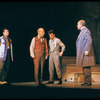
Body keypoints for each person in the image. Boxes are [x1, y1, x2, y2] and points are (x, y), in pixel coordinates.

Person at [76, 20, 95, 86]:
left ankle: (88, 82)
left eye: (77, 24)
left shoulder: (86, 31)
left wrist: (87, 50)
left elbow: (89, 40)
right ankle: (86, 81)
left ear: (81, 25)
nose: (77, 25)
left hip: (86, 53)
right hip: (83, 53)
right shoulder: (83, 31)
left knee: (87, 67)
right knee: (84, 67)